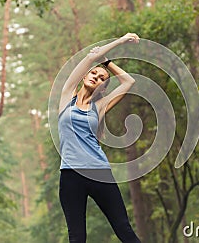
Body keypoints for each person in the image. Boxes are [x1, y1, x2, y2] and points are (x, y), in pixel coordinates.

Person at [58, 33, 142, 243]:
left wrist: (106, 62)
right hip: (70, 175)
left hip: (99, 172)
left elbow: (128, 81)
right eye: (94, 73)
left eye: (102, 78)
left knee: (124, 229)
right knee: (77, 237)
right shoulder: (67, 96)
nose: (96, 76)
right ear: (86, 76)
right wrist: (118, 41)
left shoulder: (100, 106)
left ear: (102, 88)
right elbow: (89, 58)